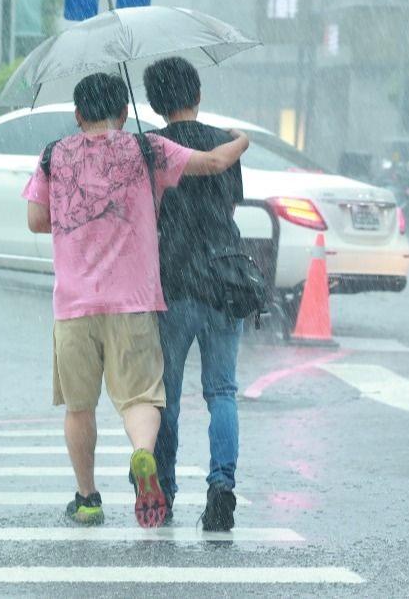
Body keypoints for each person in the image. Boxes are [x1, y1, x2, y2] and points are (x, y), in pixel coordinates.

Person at [22, 72, 249, 528]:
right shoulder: (147, 149)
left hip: (74, 305)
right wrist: (240, 141)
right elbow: (213, 163)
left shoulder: (53, 155)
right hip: (135, 301)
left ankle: (87, 498)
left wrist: (78, 221)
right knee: (143, 397)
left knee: (79, 407)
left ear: (78, 114)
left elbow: (35, 219)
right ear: (125, 113)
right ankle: (143, 454)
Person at [142, 56, 245, 531]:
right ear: (197, 95)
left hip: (174, 280)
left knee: (170, 395)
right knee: (222, 391)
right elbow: (232, 200)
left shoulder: (152, 150)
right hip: (226, 279)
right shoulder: (223, 143)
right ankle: (221, 487)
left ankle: (162, 488)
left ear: (156, 103)